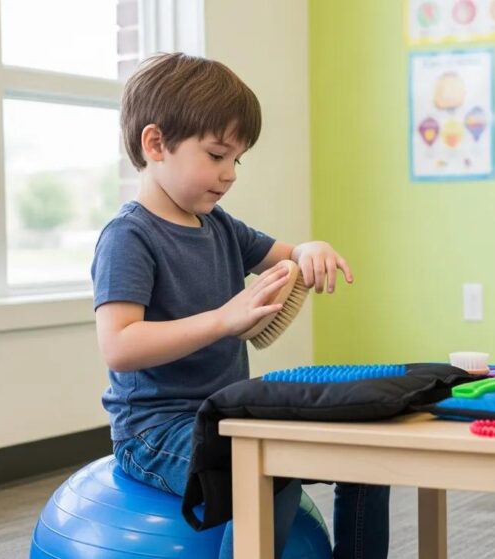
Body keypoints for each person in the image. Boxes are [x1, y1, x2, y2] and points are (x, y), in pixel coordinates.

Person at [92, 52, 389, 559]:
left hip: (230, 415)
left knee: (365, 457)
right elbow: (119, 345)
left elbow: (289, 254)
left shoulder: (220, 225)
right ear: (155, 144)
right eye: (216, 155)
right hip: (156, 431)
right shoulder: (129, 237)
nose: (230, 174)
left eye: (237, 160)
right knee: (265, 473)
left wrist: (310, 249)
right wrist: (222, 320)